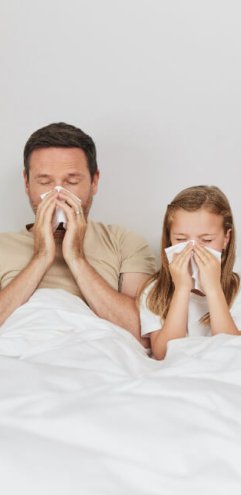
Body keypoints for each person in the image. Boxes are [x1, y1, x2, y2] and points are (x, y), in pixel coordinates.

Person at [0, 122, 156, 341]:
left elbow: (143, 334)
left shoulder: (124, 242)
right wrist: (41, 256)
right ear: (26, 183)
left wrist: (76, 258)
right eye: (44, 181)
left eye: (72, 181)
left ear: (94, 181)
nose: (58, 194)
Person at [139, 185, 241, 360]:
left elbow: (233, 351)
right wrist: (182, 289)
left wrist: (213, 289)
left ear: (226, 238)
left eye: (206, 240)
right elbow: (163, 354)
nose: (192, 248)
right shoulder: (154, 291)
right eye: (181, 239)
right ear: (169, 239)